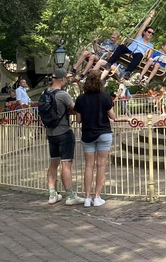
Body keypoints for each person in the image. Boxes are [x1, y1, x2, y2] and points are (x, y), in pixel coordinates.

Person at [73, 70, 116, 207]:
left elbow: (78, 120)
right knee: (101, 165)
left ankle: (87, 198)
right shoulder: (105, 96)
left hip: (88, 134)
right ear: (100, 82)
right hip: (103, 132)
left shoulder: (81, 98)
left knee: (88, 166)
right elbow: (112, 116)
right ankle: (97, 197)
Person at [43, 69, 84, 206]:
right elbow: (75, 108)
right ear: (61, 79)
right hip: (64, 132)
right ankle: (70, 196)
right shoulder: (63, 95)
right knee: (66, 164)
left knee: (53, 163)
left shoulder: (45, 93)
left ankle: (52, 194)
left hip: (50, 133)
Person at [104, 11, 156, 79]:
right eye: (149, 32)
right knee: (122, 47)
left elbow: (148, 57)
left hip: (137, 54)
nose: (150, 34)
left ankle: (128, 72)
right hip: (129, 50)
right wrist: (150, 17)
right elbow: (143, 26)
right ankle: (109, 63)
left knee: (140, 55)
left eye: (152, 33)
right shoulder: (139, 37)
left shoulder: (150, 45)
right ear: (144, 32)